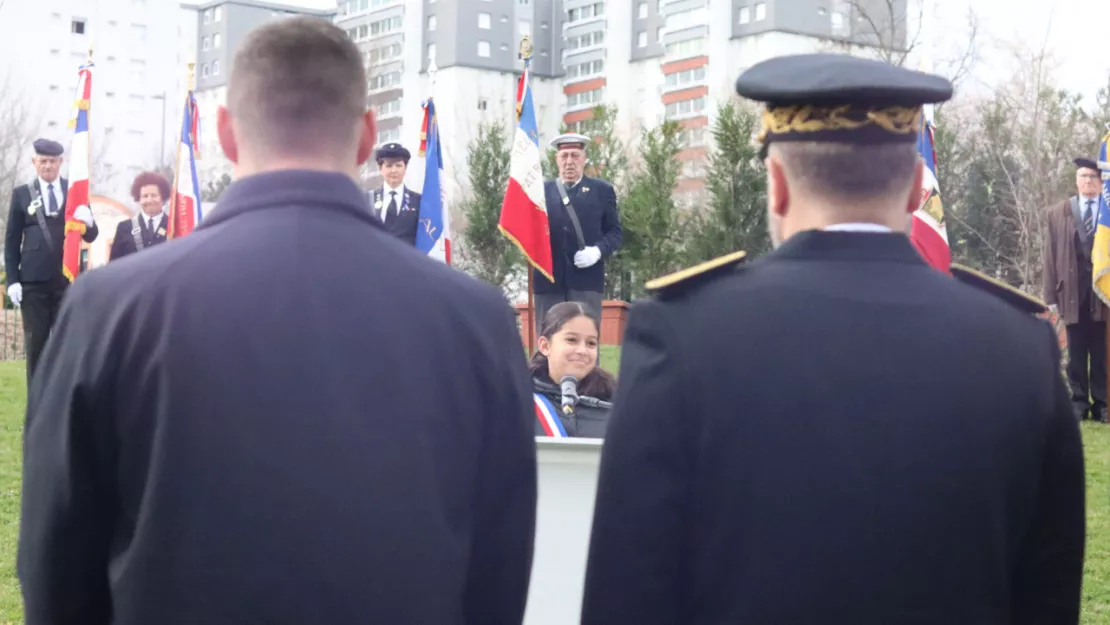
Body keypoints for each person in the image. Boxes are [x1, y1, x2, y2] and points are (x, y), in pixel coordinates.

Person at [19, 17, 537, 625]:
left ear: (225, 133)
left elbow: (57, 564)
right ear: (368, 136)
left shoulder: (108, 308)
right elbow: (497, 573)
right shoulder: (476, 321)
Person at [581, 54, 1085, 625]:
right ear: (919, 189)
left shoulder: (682, 333)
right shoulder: (1018, 345)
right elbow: (1047, 597)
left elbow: (629, 589)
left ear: (776, 186)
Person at [3, 138, 98, 385]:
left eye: (53, 161)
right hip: (33, 284)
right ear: (34, 163)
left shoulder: (75, 192)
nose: (48, 166)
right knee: (36, 345)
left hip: (66, 281)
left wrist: (89, 220)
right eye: (43, 161)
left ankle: (64, 398)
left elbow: (91, 235)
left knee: (67, 343)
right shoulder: (22, 194)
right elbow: (12, 242)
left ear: (61, 163)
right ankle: (37, 401)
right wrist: (13, 279)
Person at [535, 133, 622, 336]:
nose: (569, 162)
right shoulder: (540, 191)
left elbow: (615, 233)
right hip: (548, 280)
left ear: (584, 159)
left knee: (585, 339)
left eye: (575, 156)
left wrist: (598, 251)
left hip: (586, 281)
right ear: (556, 160)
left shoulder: (601, 190)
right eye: (564, 156)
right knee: (548, 340)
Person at [1044, 157, 1108, 422]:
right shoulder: (1058, 212)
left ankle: (1103, 403)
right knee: (1076, 353)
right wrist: (1050, 297)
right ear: (1076, 180)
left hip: (1102, 294)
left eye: (1093, 177)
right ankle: (1079, 401)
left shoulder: (1107, 210)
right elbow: (1049, 256)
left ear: (1101, 181)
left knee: (1102, 351)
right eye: (1083, 177)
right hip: (1070, 292)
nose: (1088, 181)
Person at [529, 301, 616, 438]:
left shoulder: (613, 401)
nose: (583, 351)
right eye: (571, 340)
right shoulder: (520, 399)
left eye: (591, 343)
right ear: (545, 346)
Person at [109, 171, 171, 261]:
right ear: (138, 199)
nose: (149, 200)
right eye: (145, 196)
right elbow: (113, 265)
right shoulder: (124, 228)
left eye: (154, 195)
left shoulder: (173, 226)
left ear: (163, 197)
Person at [368, 142, 420, 245]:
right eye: (389, 165)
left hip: (406, 259)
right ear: (380, 169)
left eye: (398, 165)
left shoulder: (418, 201)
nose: (394, 170)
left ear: (405, 168)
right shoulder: (368, 199)